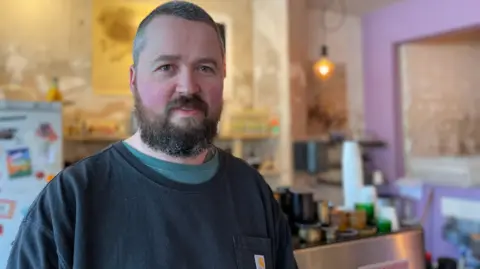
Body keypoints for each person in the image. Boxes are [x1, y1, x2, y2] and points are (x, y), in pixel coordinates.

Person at [6, 1, 298, 269]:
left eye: (205, 68)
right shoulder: (70, 201)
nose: (187, 87)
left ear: (222, 77)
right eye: (166, 67)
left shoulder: (253, 192)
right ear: (134, 80)